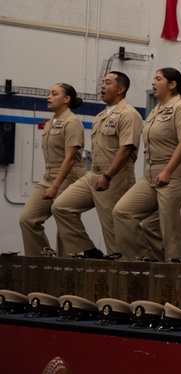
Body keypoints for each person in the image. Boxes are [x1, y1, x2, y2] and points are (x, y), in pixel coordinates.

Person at [52, 72, 142, 257]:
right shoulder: (101, 115)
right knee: (61, 207)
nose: (102, 85)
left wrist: (108, 176)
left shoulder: (129, 114)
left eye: (108, 82)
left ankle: (123, 270)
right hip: (93, 173)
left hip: (115, 176)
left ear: (120, 89)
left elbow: (125, 149)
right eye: (102, 82)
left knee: (113, 228)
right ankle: (89, 251)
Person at [113, 68, 181, 262]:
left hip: (176, 173)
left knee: (173, 233)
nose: (153, 82)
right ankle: (146, 262)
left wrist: (168, 171)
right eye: (153, 78)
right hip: (152, 172)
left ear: (172, 84)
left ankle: (176, 282)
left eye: (158, 79)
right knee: (122, 212)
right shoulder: (156, 110)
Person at [19, 83, 88, 256]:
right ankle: (41, 263)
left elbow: (70, 158)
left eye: (54, 94)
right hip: (49, 175)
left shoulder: (72, 122)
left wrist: (55, 186)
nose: (48, 97)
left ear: (66, 99)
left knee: (64, 226)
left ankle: (64, 270)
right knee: (27, 219)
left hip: (69, 176)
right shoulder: (51, 122)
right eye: (49, 93)